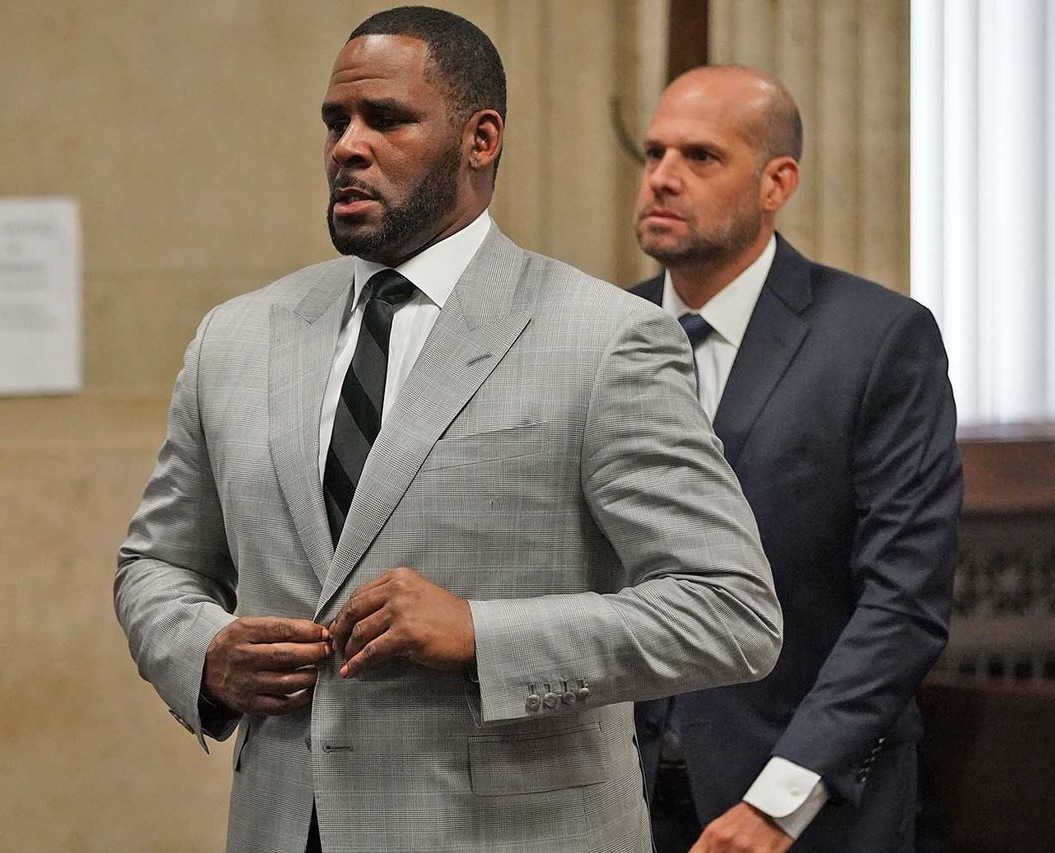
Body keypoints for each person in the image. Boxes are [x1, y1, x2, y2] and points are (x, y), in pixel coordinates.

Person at [116, 8, 783, 852]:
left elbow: (730, 609)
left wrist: (481, 634)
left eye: (386, 119)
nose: (347, 147)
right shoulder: (236, 337)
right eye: (335, 121)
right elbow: (157, 563)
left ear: (480, 139)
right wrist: (206, 652)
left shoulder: (605, 338)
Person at [628, 65, 962, 853]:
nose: (663, 177)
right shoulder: (605, 329)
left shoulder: (879, 341)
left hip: (805, 804)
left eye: (701, 156)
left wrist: (780, 801)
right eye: (654, 153)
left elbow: (902, 601)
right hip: (621, 798)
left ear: (776, 182)